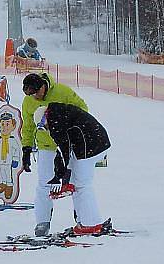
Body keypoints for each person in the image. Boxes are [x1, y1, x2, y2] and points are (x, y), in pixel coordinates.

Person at [20, 72, 88, 236]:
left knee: (76, 183)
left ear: (43, 86)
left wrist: (69, 126)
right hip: (46, 146)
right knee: (44, 184)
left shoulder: (62, 92)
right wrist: (26, 149)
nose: (35, 97)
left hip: (69, 145)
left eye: (36, 93)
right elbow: (28, 126)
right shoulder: (29, 101)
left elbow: (83, 110)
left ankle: (83, 219)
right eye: (31, 94)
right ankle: (42, 223)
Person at [42, 102, 111, 235]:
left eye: (43, 127)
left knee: (82, 185)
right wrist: (65, 181)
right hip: (96, 143)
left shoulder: (55, 121)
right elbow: (63, 152)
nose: (46, 130)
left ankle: (91, 224)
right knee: (77, 185)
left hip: (91, 146)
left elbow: (63, 151)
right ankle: (84, 222)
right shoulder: (58, 114)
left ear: (44, 120)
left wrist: (59, 178)